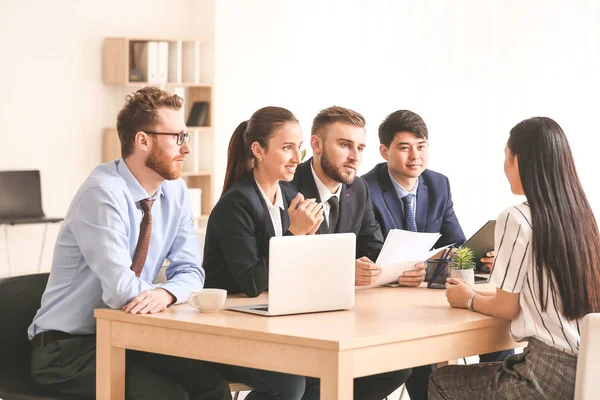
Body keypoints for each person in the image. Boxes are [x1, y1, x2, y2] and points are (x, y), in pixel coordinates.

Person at [28, 87, 231, 399]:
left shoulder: (175, 193)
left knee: (211, 387)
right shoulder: (102, 193)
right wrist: (169, 293)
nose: (187, 148)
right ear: (143, 140)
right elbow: (121, 291)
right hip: (68, 350)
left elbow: (192, 270)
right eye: (177, 137)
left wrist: (166, 293)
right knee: (167, 396)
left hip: (130, 337)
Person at [429, 116, 600, 399]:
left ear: (522, 160)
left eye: (507, 156)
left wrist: (469, 298)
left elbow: (506, 307)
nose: (504, 166)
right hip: (589, 371)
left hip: (547, 374)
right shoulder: (581, 216)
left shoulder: (516, 216)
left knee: (441, 381)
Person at [362, 110, 513, 400]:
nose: (415, 155)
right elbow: (374, 252)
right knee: (424, 359)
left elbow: (456, 242)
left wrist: (482, 257)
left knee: (499, 338)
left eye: (421, 146)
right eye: (404, 147)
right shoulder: (365, 188)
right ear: (384, 151)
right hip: (389, 305)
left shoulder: (437, 184)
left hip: (432, 298)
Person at [286, 106, 419, 400]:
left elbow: (373, 246)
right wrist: (347, 272)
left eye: (359, 147)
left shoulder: (357, 189)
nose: (355, 156)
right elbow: (286, 261)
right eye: (344, 145)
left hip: (344, 316)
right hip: (297, 320)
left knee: (398, 366)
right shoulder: (287, 186)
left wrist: (402, 266)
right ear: (317, 145)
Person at [203, 106, 323, 400]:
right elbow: (253, 283)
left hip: (270, 325)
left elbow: (296, 275)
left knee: (323, 371)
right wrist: (295, 234)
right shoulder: (237, 204)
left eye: (299, 147)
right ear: (257, 150)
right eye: (286, 148)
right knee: (292, 384)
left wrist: (308, 237)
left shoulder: (287, 197)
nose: (298, 158)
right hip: (229, 332)